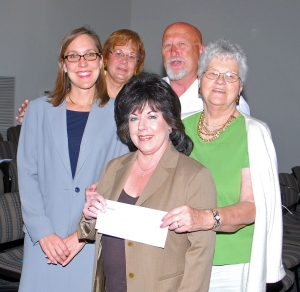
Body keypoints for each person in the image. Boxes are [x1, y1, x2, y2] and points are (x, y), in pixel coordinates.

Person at [161, 39, 285, 291]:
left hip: (230, 265)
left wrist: (204, 219)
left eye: (231, 76)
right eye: (213, 73)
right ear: (199, 82)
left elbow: (252, 207)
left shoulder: (253, 133)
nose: (220, 81)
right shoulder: (177, 128)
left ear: (240, 88)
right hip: (180, 257)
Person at [78, 72, 217, 292]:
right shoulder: (113, 168)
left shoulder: (195, 176)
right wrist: (89, 215)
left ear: (170, 123)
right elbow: (93, 232)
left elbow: (201, 254)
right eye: (134, 118)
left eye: (152, 116)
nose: (142, 126)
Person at [17, 26, 129, 292]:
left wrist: (82, 235)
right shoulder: (38, 110)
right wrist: (43, 232)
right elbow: (27, 175)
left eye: (90, 55)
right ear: (63, 64)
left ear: (101, 61)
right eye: (73, 56)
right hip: (44, 240)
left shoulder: (119, 114)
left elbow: (119, 182)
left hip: (91, 241)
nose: (82, 63)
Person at [15, 28, 145, 121]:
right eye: (118, 53)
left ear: (137, 65)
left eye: (131, 56)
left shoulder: (141, 102)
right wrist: (35, 115)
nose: (124, 61)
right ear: (104, 59)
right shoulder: (82, 88)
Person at [161, 22, 250, 119]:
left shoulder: (224, 97)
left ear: (201, 50)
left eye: (182, 44)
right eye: (168, 45)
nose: (173, 51)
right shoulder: (149, 92)